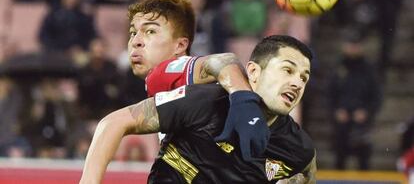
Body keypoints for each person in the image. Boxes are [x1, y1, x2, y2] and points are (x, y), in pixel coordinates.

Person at [80, 35, 317, 183]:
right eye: (288, 70)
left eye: (304, 78)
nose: (297, 83)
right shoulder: (205, 102)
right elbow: (113, 122)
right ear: (253, 72)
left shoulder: (300, 151)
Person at [125, 0, 269, 161]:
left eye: (150, 32)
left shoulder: (164, 72)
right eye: (133, 33)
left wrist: (245, 101)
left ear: (180, 45)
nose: (136, 41)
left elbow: (223, 60)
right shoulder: (167, 85)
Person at [327, 33, 382, 170]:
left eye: (355, 45)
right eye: (350, 45)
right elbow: (329, 94)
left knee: (364, 162)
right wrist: (336, 111)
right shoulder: (337, 68)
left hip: (362, 124)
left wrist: (366, 112)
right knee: (339, 160)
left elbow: (376, 96)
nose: (352, 48)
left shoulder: (369, 70)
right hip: (341, 122)